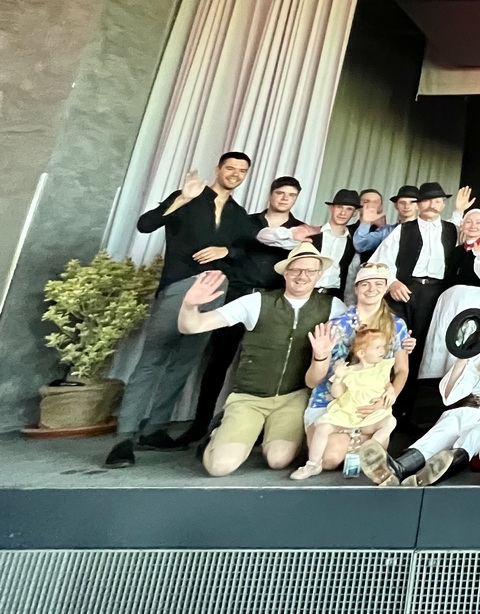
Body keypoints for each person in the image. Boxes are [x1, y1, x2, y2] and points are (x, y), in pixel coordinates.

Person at [107, 153, 256, 468]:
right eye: (230, 168)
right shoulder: (188, 197)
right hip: (179, 285)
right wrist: (182, 199)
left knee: (184, 363)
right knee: (152, 361)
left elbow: (246, 251)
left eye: (242, 171)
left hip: (216, 290)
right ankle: (124, 438)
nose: (235, 174)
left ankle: (155, 430)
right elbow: (146, 225)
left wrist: (227, 250)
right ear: (218, 169)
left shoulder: (239, 214)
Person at [172, 244, 344, 476]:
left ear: (319, 275)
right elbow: (191, 326)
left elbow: (357, 341)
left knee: (279, 460)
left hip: (294, 397)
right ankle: (221, 432)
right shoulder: (256, 302)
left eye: (310, 271)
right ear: (285, 273)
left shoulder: (333, 307)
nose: (302, 276)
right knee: (220, 467)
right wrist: (190, 305)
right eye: (296, 270)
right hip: (249, 397)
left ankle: (266, 437)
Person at [181, 174, 303, 446]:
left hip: (272, 302)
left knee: (263, 365)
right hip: (237, 295)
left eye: (291, 195)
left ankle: (255, 428)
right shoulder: (245, 222)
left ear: (296, 199)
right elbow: (230, 250)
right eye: (280, 193)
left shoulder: (300, 231)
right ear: (271, 194)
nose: (285, 198)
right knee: (218, 362)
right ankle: (199, 425)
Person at [359, 312, 480, 487]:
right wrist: (462, 360)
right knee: (438, 434)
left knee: (477, 435)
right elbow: (450, 396)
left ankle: (436, 470)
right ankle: (396, 469)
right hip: (464, 409)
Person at [300, 262, 413, 473]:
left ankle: (357, 447)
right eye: (365, 284)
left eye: (378, 284)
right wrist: (320, 356)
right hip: (333, 402)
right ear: (356, 288)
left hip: (369, 403)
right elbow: (312, 382)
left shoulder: (396, 325)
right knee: (330, 460)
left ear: (386, 288)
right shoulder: (337, 325)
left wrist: (389, 396)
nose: (372, 289)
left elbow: (402, 370)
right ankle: (352, 446)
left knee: (367, 450)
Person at [370, 181, 455, 430]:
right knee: (395, 346)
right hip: (404, 290)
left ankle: (407, 414)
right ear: (418, 204)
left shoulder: (452, 230)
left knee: (421, 350)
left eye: (438, 201)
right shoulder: (403, 230)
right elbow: (379, 261)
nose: (432, 205)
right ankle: (383, 409)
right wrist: (392, 282)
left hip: (436, 293)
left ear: (443, 205)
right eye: (427, 200)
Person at [290, 327, 397, 480]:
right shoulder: (349, 371)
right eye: (377, 347)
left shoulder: (382, 368)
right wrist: (338, 378)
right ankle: (313, 464)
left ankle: (370, 450)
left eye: (384, 347)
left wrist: (390, 390)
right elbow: (337, 394)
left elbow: (386, 383)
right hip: (347, 414)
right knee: (323, 427)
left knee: (390, 421)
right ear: (361, 353)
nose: (383, 351)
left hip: (369, 418)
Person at [419, 208, 480, 382]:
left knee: (468, 340)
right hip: (450, 302)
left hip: (475, 301)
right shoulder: (456, 250)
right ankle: (436, 382)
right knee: (444, 340)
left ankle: (462, 382)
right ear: (462, 225)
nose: (473, 225)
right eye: (469, 221)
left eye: (478, 222)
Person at [256, 188, 359, 299]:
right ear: (331, 208)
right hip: (300, 293)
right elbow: (262, 236)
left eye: (349, 209)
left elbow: (351, 277)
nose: (343, 213)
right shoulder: (309, 233)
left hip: (333, 297)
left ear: (355, 213)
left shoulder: (353, 243)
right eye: (339, 207)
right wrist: (292, 233)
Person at [354, 185, 416, 260]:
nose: (407, 206)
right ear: (396, 205)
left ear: (418, 205)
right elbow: (360, 245)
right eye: (402, 202)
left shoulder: (426, 231)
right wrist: (366, 222)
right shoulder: (386, 231)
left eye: (412, 202)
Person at [352, 188, 388, 261]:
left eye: (376, 202)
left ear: (381, 207)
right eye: (366, 202)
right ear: (358, 207)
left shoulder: (389, 232)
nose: (371, 205)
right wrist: (366, 222)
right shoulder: (348, 231)